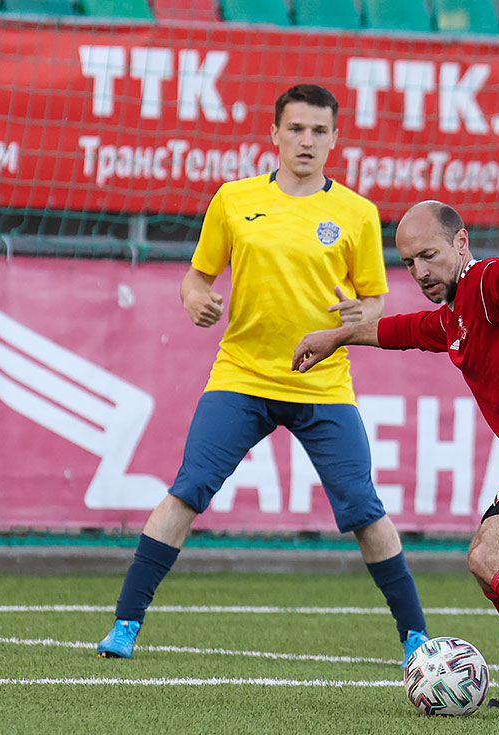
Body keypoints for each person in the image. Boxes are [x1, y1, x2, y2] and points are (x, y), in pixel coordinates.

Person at [96, 84, 429, 667]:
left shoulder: (356, 213)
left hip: (323, 385)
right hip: (242, 378)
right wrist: (194, 299)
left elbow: (374, 300)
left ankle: (417, 639)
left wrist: (362, 314)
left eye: (318, 131)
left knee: (363, 508)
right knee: (188, 491)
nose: (306, 141)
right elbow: (197, 277)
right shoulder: (234, 200)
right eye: (295, 129)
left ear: (335, 139)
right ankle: (125, 624)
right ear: (274, 133)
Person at [293, 200, 499, 710]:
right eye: (409, 262)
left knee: (490, 555)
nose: (420, 272)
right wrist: (338, 336)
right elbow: (398, 331)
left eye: (429, 256)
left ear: (460, 242)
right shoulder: (454, 317)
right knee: (485, 563)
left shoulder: (479, 286)